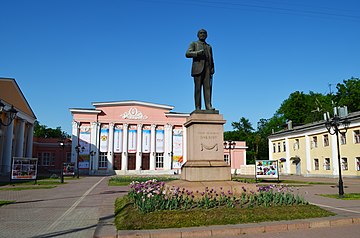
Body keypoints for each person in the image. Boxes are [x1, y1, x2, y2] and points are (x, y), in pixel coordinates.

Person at [186, 29, 215, 111]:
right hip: (198, 69)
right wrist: (197, 53)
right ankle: (198, 107)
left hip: (208, 69)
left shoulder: (209, 46)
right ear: (198, 35)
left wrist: (212, 68)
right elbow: (187, 53)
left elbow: (211, 58)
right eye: (201, 33)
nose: (203, 34)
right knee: (198, 89)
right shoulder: (194, 43)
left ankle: (208, 106)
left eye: (204, 33)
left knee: (208, 88)